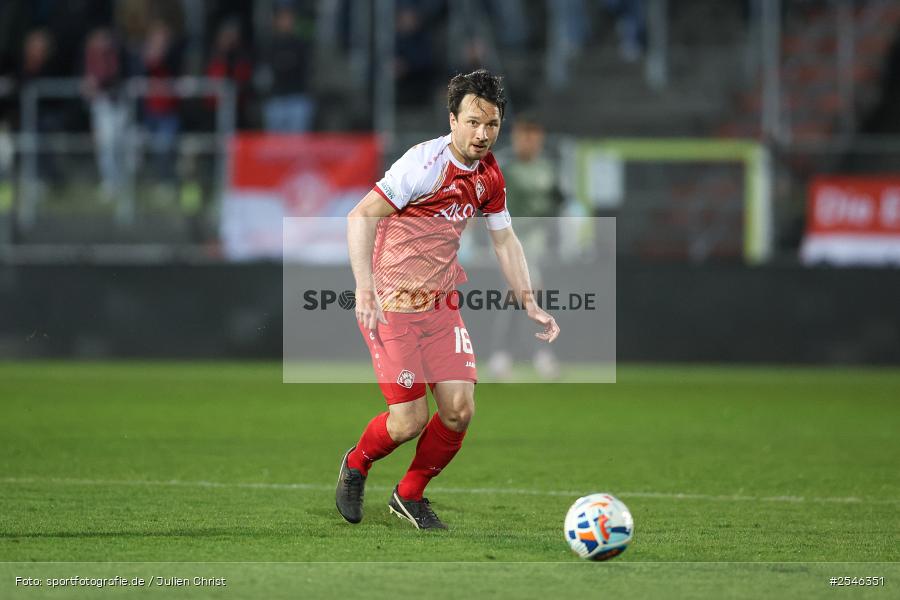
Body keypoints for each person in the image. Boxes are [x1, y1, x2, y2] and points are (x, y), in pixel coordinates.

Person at [337, 69, 560, 530]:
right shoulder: (422, 166)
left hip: (440, 307)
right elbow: (360, 216)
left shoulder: (489, 174)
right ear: (453, 119)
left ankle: (409, 494)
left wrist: (529, 301)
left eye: (492, 124)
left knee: (458, 411)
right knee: (408, 421)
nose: (483, 134)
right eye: (474, 122)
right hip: (392, 306)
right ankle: (357, 464)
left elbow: (505, 239)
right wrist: (363, 287)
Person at [487, 111, 564, 380]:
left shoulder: (547, 169)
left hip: (538, 245)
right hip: (511, 243)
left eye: (533, 136)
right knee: (525, 293)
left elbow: (556, 204)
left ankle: (503, 355)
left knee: (520, 298)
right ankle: (536, 356)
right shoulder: (504, 168)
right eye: (523, 136)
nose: (528, 142)